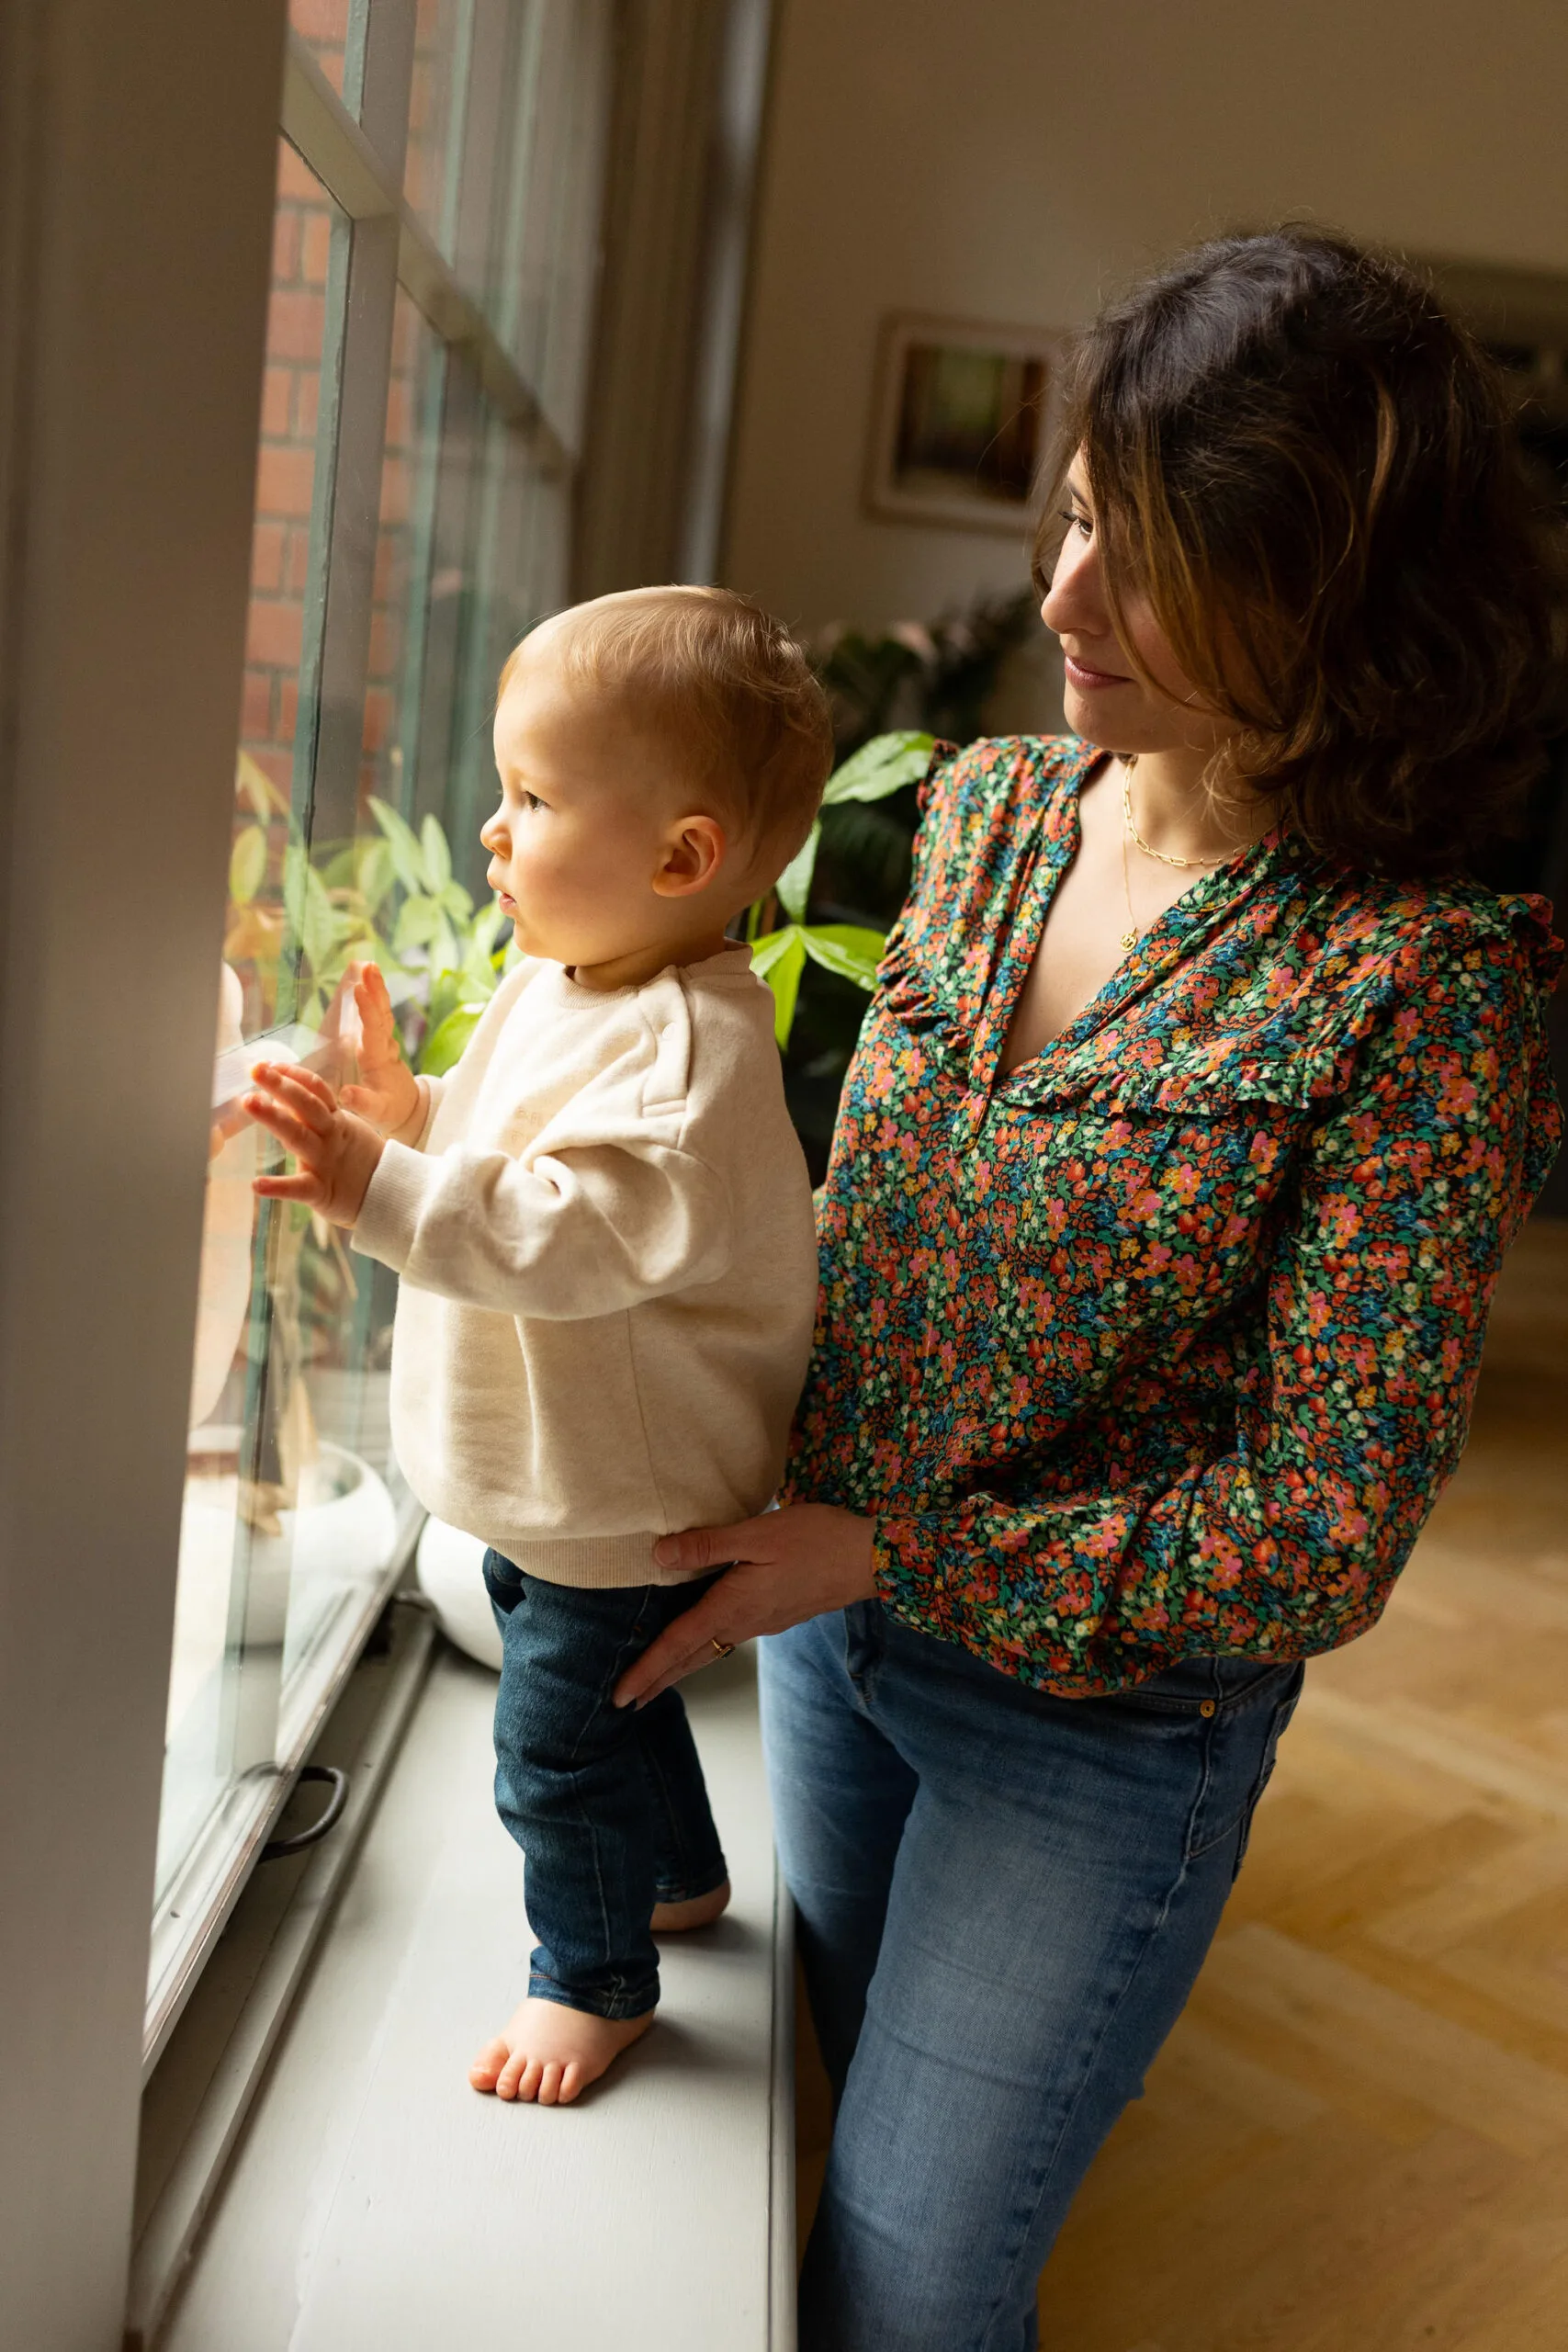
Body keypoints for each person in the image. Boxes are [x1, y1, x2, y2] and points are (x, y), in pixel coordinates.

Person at [614, 229, 1565, 2347]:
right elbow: (866, 1220)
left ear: (1329, 600)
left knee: (911, 2282)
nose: (1060, 598)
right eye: (1067, 519)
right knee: (831, 2136)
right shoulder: (985, 813)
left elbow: (1322, 1527)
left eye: (1148, 564)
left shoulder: (1422, 984)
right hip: (826, 1635)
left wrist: (898, 1548)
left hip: (1095, 1729)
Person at [244, 585, 832, 2104]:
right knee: (615, 1695)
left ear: (679, 858)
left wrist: (374, 1186)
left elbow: (562, 1235)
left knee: (554, 1750)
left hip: (625, 1497)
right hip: (573, 1490)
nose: (490, 832)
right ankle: (679, 1877)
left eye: (531, 799)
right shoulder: (568, 980)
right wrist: (413, 1120)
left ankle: (595, 1979)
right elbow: (513, 1143)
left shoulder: (688, 1058)